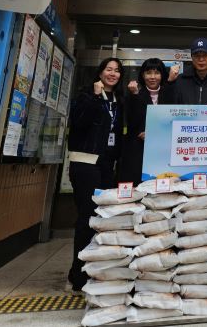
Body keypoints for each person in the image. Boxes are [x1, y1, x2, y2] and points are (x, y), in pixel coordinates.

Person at [67, 57, 125, 293]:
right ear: (100, 72)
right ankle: (77, 274)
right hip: (85, 163)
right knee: (86, 217)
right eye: (108, 69)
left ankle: (93, 269)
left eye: (117, 71)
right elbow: (78, 123)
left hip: (105, 165)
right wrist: (93, 96)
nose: (113, 73)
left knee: (100, 219)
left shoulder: (118, 100)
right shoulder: (86, 94)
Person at [118, 58, 168, 185]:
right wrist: (134, 95)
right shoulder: (135, 94)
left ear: (162, 75)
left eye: (157, 73)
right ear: (142, 75)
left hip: (163, 153)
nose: (152, 77)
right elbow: (131, 123)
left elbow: (173, 123)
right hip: (138, 153)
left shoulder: (170, 95)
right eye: (148, 73)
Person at [164, 37, 207, 105]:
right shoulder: (180, 81)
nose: (201, 59)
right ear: (192, 57)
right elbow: (168, 107)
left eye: (205, 55)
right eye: (197, 55)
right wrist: (169, 83)